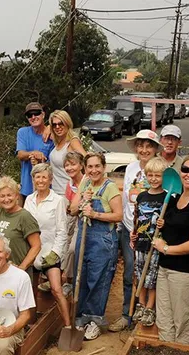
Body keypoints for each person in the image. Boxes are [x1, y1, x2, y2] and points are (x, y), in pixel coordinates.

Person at [151, 154, 189, 344]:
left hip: (186, 272)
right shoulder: (177, 195)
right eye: (185, 170)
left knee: (182, 323)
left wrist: (166, 248)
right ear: (180, 171)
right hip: (166, 268)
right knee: (164, 321)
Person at [109, 130, 162, 332]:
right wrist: (122, 224)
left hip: (151, 233)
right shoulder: (131, 168)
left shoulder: (160, 170)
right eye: (141, 145)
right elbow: (124, 198)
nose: (144, 150)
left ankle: (149, 313)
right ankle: (128, 314)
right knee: (131, 273)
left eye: (149, 146)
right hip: (131, 229)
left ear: (155, 149)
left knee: (151, 273)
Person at [69, 152, 122, 340]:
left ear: (104, 167)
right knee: (81, 278)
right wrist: (83, 197)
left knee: (98, 280)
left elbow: (118, 216)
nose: (93, 170)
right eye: (90, 167)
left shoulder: (110, 187)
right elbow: (73, 209)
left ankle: (95, 320)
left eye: (97, 166)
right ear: (85, 169)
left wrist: (95, 214)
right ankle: (81, 318)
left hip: (103, 241)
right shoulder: (85, 184)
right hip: (84, 237)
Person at [24, 163, 70, 328]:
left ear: (50, 180)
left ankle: (67, 326)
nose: (41, 180)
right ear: (33, 179)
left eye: (44, 177)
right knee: (31, 291)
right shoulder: (29, 200)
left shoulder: (57, 201)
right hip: (31, 252)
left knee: (56, 290)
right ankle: (31, 323)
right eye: (37, 177)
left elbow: (62, 231)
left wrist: (56, 253)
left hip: (49, 252)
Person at [129, 157, 167, 327]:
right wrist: (133, 233)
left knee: (152, 277)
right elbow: (136, 217)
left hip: (155, 244)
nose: (153, 179)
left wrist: (163, 224)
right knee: (139, 274)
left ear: (163, 177)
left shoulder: (167, 198)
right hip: (141, 242)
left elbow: (170, 220)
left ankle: (150, 308)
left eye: (157, 176)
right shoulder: (142, 196)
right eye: (150, 175)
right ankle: (141, 305)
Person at [0, 176, 41, 271]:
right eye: (2, 196)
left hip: (17, 270)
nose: (6, 199)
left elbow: (36, 245)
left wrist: (22, 267)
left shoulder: (24, 216)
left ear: (17, 195)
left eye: (9, 195)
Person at [58, 152, 86, 295]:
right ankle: (68, 280)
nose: (69, 168)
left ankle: (70, 280)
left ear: (81, 165)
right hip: (71, 219)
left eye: (73, 164)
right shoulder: (69, 185)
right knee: (65, 246)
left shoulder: (86, 181)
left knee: (73, 249)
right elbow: (69, 207)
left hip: (84, 219)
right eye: (67, 165)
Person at [16, 102, 54, 201]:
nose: (33, 117)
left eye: (36, 113)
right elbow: (20, 154)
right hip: (26, 191)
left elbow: (54, 163)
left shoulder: (52, 135)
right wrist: (33, 154)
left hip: (46, 192)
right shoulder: (22, 132)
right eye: (29, 115)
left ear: (43, 114)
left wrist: (41, 162)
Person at [47, 110, 86, 195]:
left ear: (67, 123)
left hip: (68, 194)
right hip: (55, 192)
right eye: (54, 125)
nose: (57, 127)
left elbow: (87, 161)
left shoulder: (73, 141)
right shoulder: (57, 143)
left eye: (61, 123)